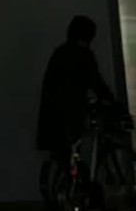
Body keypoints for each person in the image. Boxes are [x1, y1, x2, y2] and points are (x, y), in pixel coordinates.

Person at [36, 15, 116, 163]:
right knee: (76, 156)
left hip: (52, 117)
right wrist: (113, 104)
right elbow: (96, 83)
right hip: (70, 117)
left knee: (68, 158)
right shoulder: (83, 54)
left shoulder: (60, 52)